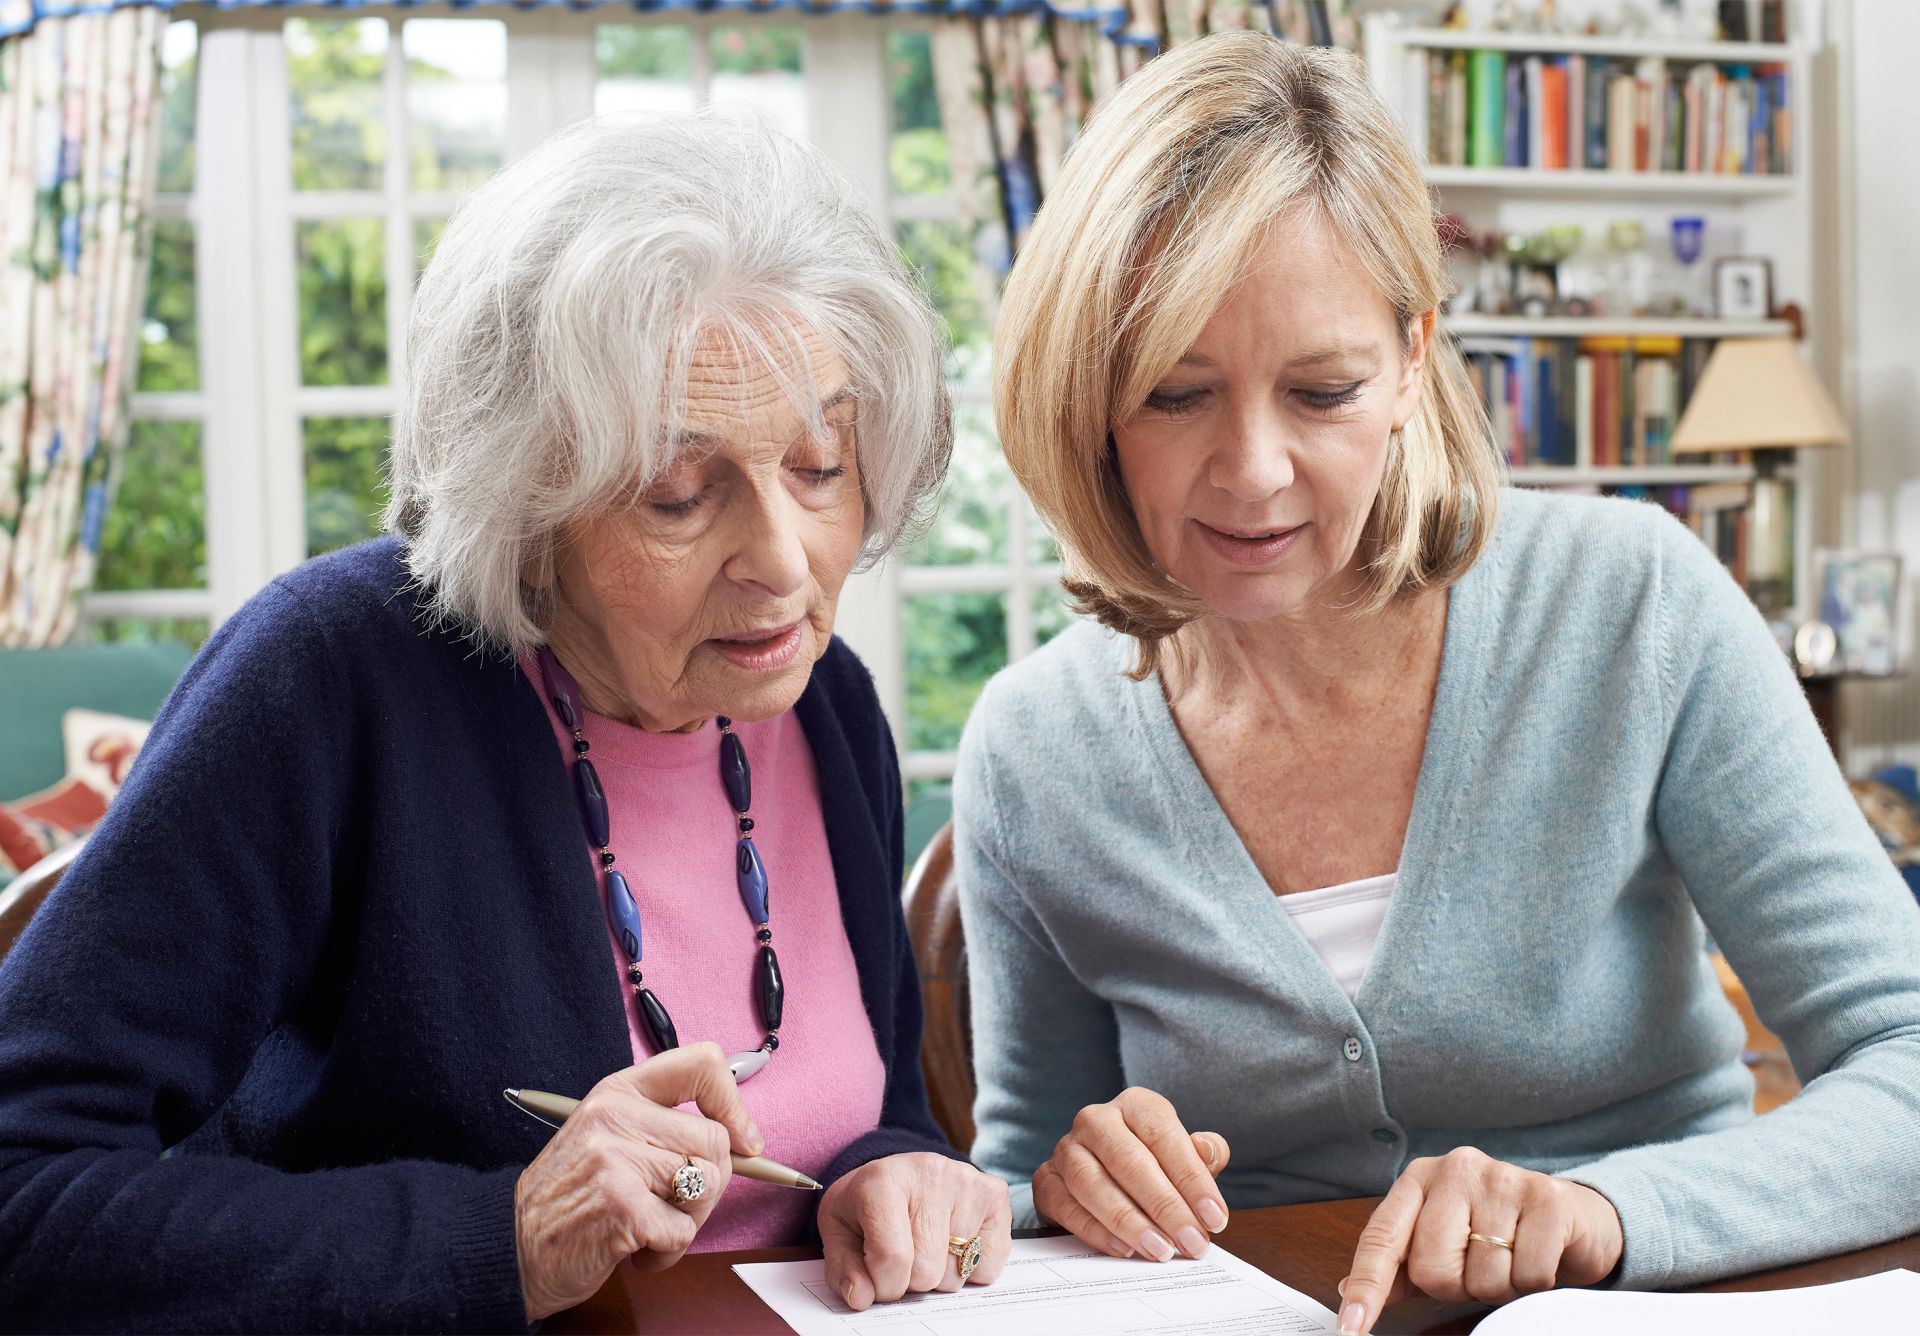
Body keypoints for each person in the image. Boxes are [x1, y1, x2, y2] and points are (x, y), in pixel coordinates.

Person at [956, 31, 1920, 1336]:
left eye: (1322, 389)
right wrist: (1073, 1181)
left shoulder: (1632, 603)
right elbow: (1017, 1184)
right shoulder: (1034, 746)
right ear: (1090, 398)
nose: (1253, 471)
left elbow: (1905, 1066)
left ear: (1413, 358)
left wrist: (1611, 1215)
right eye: (1178, 394)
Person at [0, 113, 1009, 1330]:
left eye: (821, 466)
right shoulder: (329, 678)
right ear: (525, 499)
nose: (785, 566)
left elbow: (871, 1102)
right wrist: (508, 1234)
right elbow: (26, 1191)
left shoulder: (820, 699)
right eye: (679, 494)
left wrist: (891, 1170)